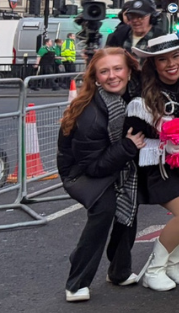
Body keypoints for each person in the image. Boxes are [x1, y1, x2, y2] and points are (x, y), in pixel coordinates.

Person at [57, 48, 143, 302]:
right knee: (103, 211)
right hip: (81, 173)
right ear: (95, 77)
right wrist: (127, 147)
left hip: (116, 163)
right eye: (104, 71)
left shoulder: (132, 95)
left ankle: (119, 271)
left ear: (129, 71)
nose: (112, 76)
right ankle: (76, 282)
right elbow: (93, 167)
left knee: (129, 206)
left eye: (118, 69)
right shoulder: (90, 114)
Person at [126, 35, 179, 291]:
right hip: (155, 170)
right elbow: (133, 143)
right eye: (163, 60)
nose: (171, 64)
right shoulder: (142, 102)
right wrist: (165, 146)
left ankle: (173, 261)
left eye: (175, 57)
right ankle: (154, 269)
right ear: (153, 65)